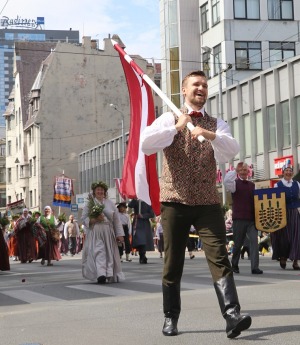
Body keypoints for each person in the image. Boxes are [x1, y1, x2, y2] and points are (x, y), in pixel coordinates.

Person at [141, 70, 251, 338]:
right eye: (195, 84)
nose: (201, 88)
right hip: (175, 200)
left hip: (207, 201)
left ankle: (232, 315)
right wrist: (176, 127)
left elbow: (232, 149)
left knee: (219, 256)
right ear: (184, 89)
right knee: (173, 261)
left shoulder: (216, 123)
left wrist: (208, 134)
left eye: (204, 84)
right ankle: (171, 317)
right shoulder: (169, 117)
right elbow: (146, 144)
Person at [81, 181, 125, 284]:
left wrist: (119, 234)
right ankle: (101, 274)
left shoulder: (110, 203)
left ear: (104, 192)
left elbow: (116, 219)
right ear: (94, 192)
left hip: (108, 231)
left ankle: (108, 273)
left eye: (102, 190)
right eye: (98, 190)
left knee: (109, 253)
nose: (100, 191)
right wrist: (95, 219)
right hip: (96, 231)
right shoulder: (90, 204)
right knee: (99, 251)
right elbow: (84, 218)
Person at [224, 162, 263, 275]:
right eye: (241, 170)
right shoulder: (234, 184)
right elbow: (226, 181)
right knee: (238, 244)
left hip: (251, 219)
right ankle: (234, 264)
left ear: (248, 171)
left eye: (245, 170)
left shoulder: (252, 185)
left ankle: (255, 267)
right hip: (239, 219)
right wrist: (235, 170)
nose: (243, 172)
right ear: (238, 172)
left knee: (254, 242)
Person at [271, 164, 300, 270]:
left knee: (296, 236)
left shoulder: (297, 184)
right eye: (286, 170)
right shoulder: (277, 185)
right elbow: (273, 200)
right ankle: (283, 257)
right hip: (282, 213)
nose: (288, 172)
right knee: (284, 237)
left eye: (290, 170)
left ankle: (296, 261)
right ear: (283, 172)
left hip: (295, 213)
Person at [128, 199, 155, 264]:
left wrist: (143, 216)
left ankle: (143, 255)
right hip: (137, 223)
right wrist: (134, 198)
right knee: (139, 240)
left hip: (145, 223)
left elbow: (151, 214)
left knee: (143, 240)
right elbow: (130, 205)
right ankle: (142, 255)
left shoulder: (148, 202)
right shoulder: (136, 201)